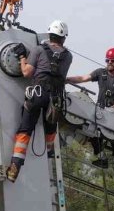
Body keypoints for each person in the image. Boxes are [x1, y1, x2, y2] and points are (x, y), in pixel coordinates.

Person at [5, 20, 73, 182]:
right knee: (50, 129)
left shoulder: (38, 50)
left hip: (38, 94)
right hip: (55, 99)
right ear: (63, 38)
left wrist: (23, 56)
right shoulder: (68, 56)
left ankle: (14, 167)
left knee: (25, 129)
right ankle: (49, 155)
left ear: (49, 34)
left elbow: (26, 72)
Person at [66, 47, 114, 175]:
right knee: (92, 131)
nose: (109, 63)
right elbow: (83, 78)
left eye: (112, 61)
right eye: (107, 60)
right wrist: (67, 79)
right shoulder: (101, 73)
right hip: (101, 111)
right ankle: (102, 157)